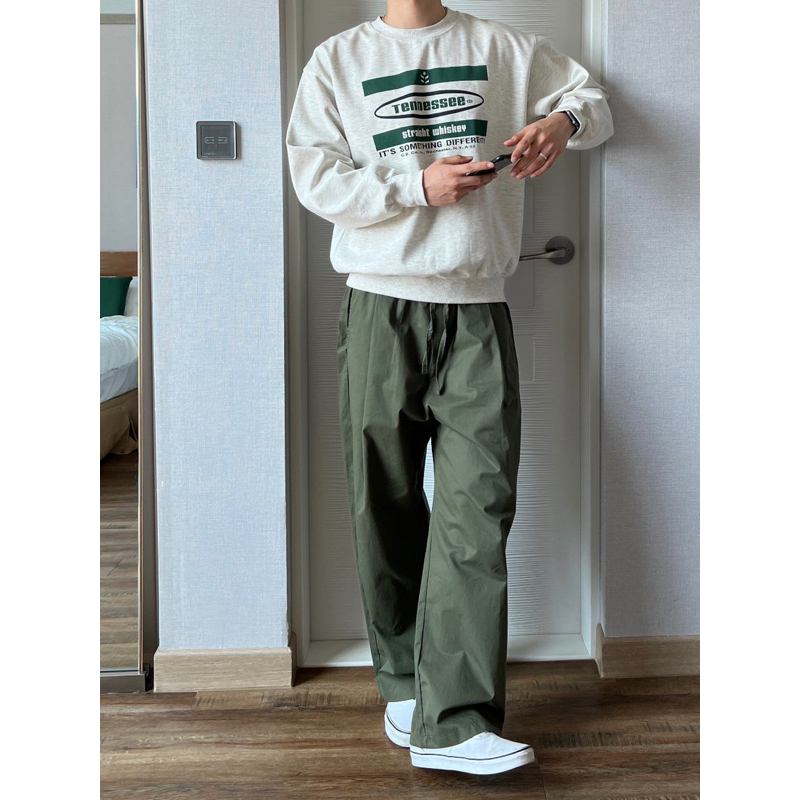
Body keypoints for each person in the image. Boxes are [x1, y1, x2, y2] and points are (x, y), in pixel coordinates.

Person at [286, 0, 613, 776]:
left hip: (477, 309)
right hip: (379, 304)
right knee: (386, 503)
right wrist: (414, 187)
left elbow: (593, 103)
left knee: (479, 506)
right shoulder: (339, 59)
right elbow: (314, 176)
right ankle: (407, 684)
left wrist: (560, 125)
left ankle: (457, 722)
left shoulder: (503, 47)